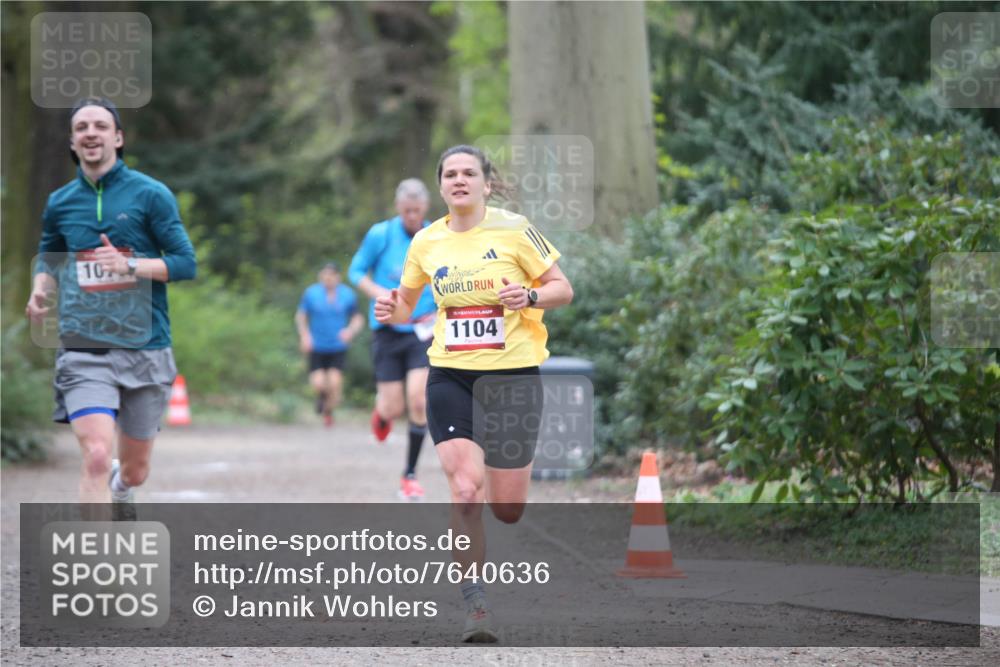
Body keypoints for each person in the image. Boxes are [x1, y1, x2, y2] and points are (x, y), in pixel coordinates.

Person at [375, 145, 574, 642]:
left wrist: (529, 296)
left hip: (513, 378)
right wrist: (389, 309)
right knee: (465, 491)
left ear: (487, 183)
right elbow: (405, 308)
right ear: (440, 186)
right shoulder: (426, 241)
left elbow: (562, 288)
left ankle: (494, 489)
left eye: (469, 173)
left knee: (507, 509)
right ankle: (475, 605)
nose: (459, 180)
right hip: (450, 375)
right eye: (450, 174)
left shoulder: (515, 229)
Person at [25, 97, 196, 512]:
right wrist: (40, 286)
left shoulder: (151, 195)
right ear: (72, 140)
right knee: (97, 455)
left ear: (117, 138)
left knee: (135, 469)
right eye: (81, 127)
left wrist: (130, 265)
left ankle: (123, 489)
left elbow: (185, 263)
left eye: (100, 126)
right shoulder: (61, 202)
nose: (90, 133)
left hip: (146, 347)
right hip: (85, 347)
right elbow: (50, 253)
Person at [348, 179, 438, 500]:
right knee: (392, 405)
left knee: (418, 401)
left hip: (423, 330)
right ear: (398, 208)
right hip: (387, 328)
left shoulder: (436, 236)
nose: (413, 215)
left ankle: (410, 475)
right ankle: (382, 414)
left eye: (417, 210)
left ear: (425, 207)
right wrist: (380, 294)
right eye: (407, 210)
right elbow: (356, 271)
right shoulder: (381, 234)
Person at [295, 262, 363, 426]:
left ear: (338, 277)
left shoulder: (348, 295)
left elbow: (357, 318)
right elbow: (301, 316)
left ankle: (328, 411)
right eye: (324, 275)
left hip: (337, 346)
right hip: (316, 345)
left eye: (331, 275)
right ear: (320, 276)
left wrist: (350, 331)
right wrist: (305, 336)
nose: (328, 278)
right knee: (318, 383)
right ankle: (321, 398)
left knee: (334, 382)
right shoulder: (311, 293)